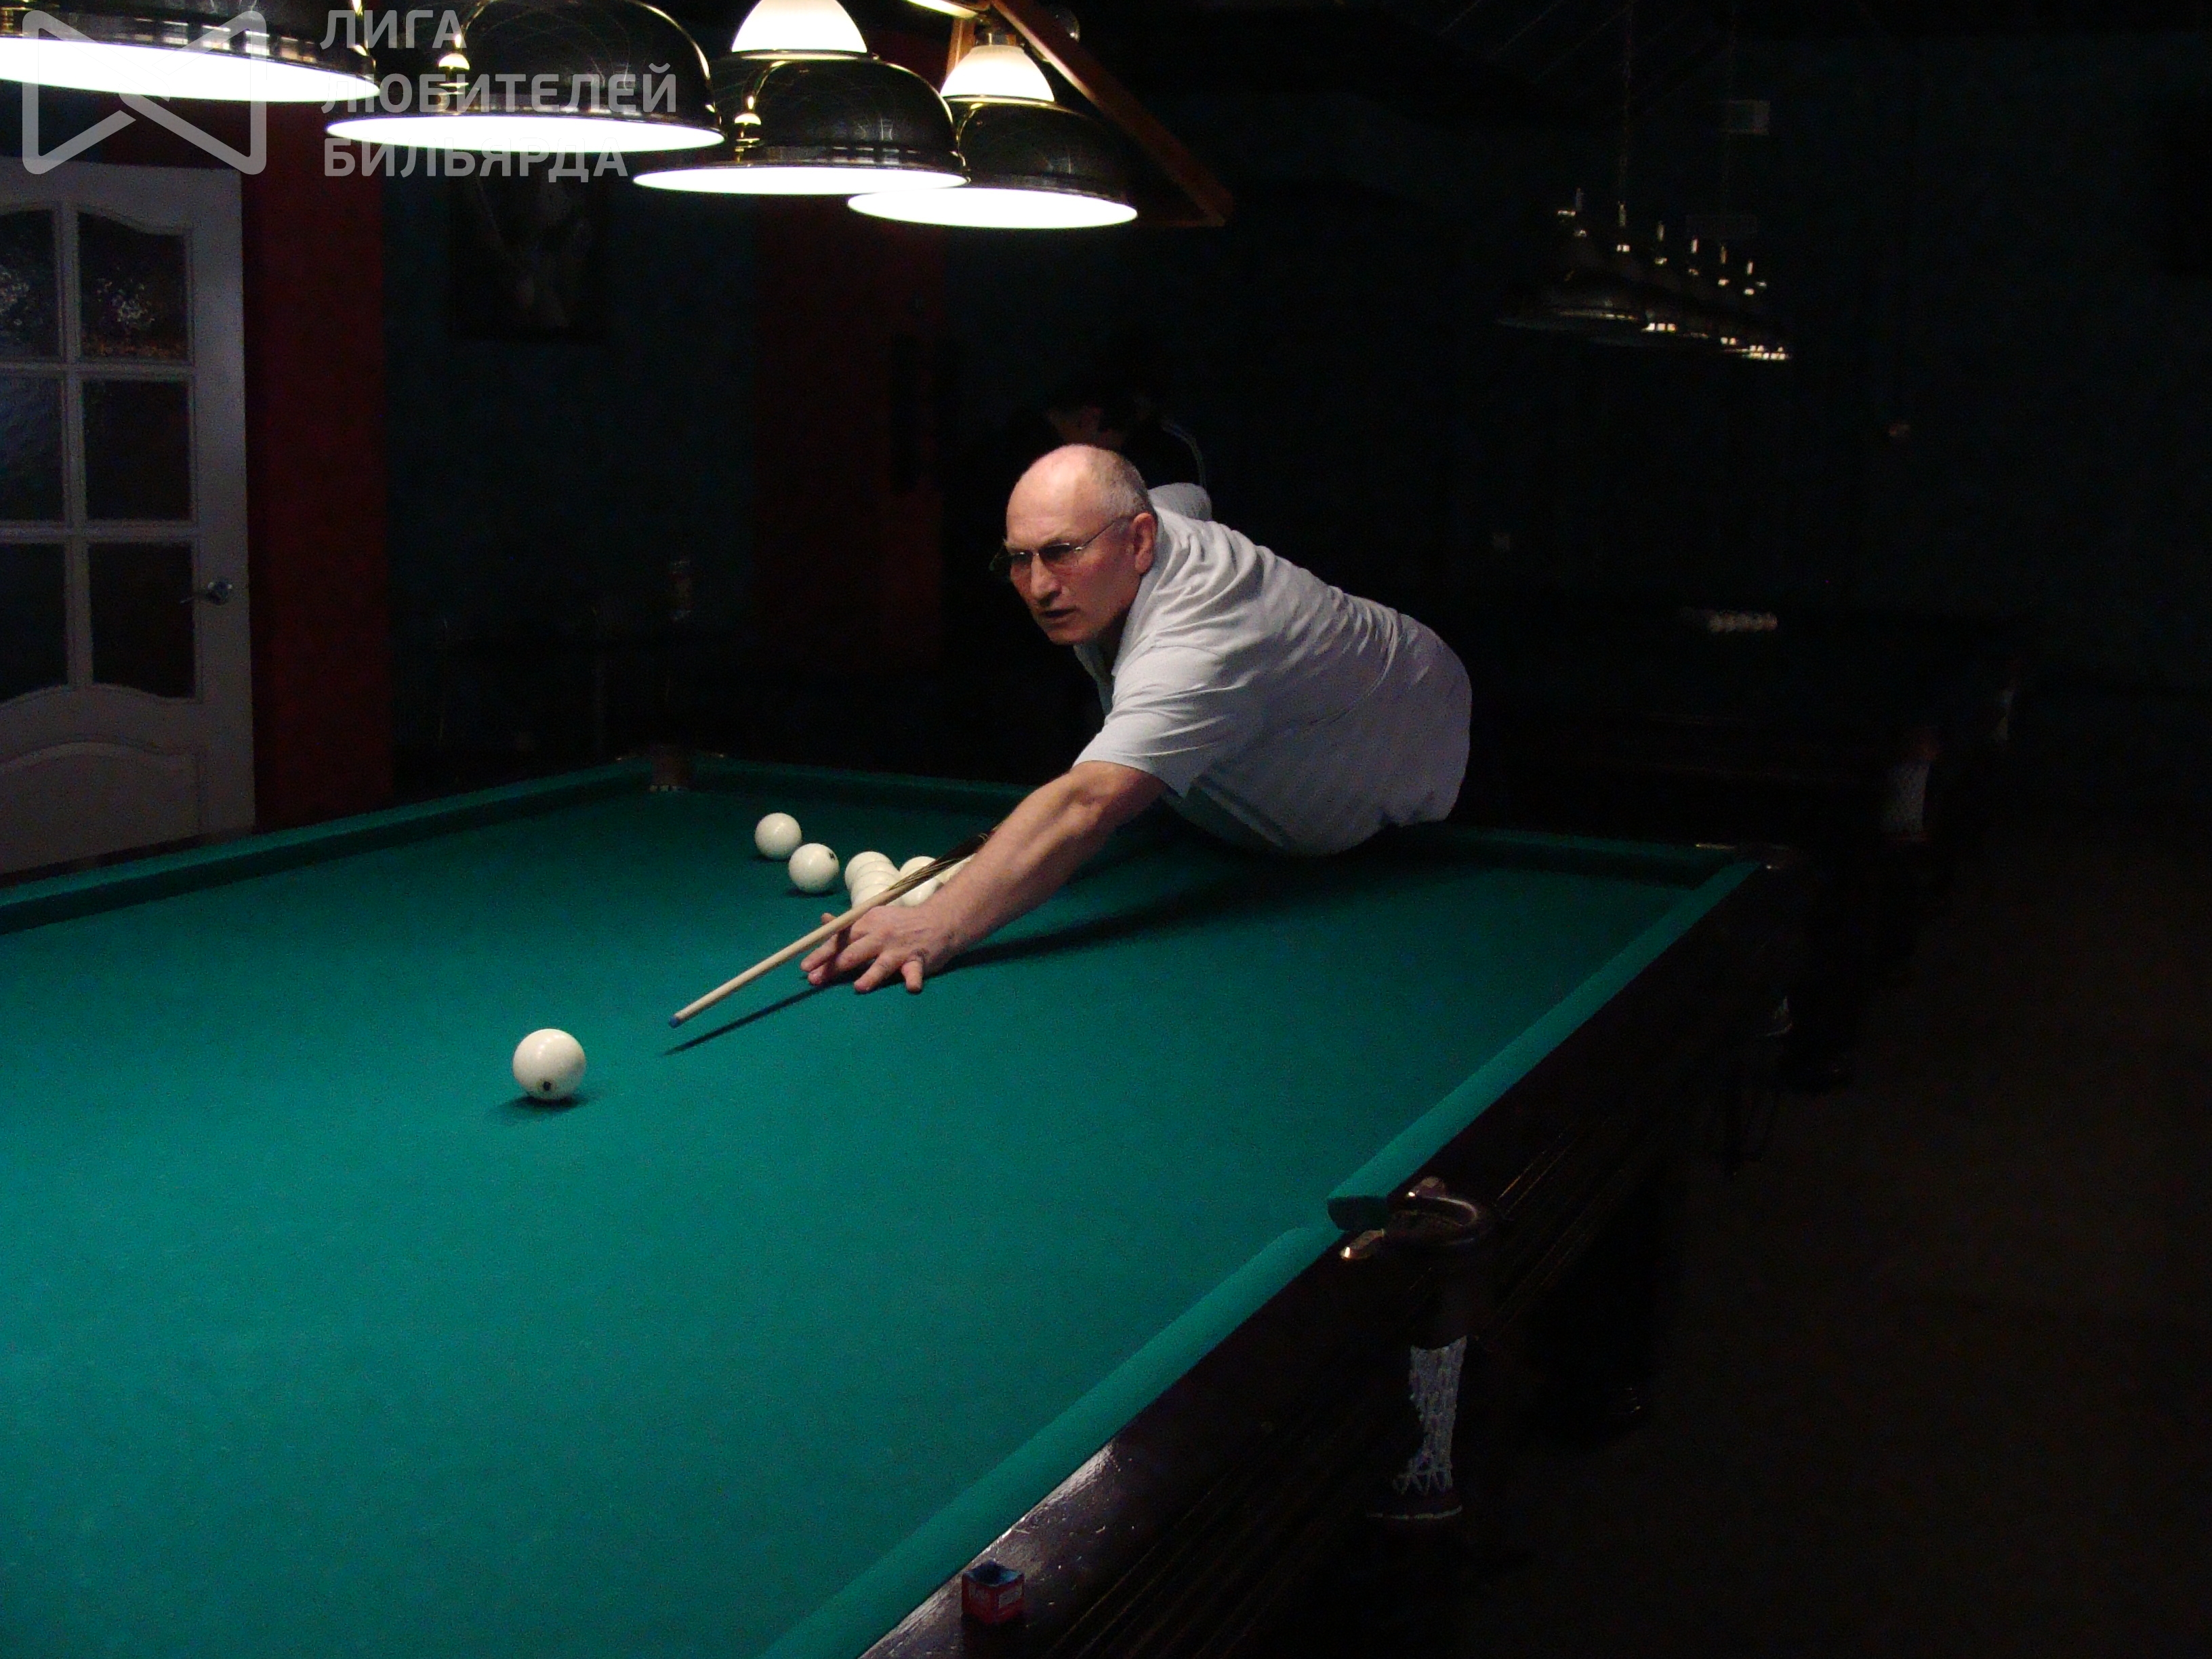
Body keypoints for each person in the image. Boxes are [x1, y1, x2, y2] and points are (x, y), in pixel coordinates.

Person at [806, 444, 1473, 993]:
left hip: (1422, 742)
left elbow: (1087, 804)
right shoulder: (1141, 523)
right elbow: (1189, 495)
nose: (1039, 587)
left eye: (1063, 551)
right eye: (1020, 558)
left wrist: (936, 924)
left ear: (1142, 540)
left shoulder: (1198, 646)